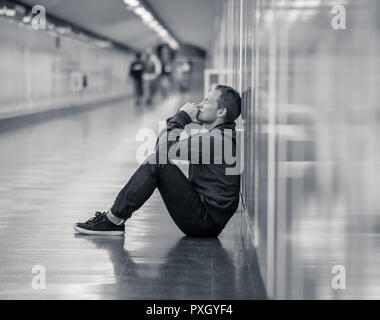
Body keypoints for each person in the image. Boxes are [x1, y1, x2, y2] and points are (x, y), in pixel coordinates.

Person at [74, 85, 241, 238]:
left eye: (206, 101)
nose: (199, 104)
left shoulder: (217, 140)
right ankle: (114, 219)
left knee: (157, 162)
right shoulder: (219, 137)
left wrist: (182, 117)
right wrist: (179, 119)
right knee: (158, 161)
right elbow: (163, 146)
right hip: (206, 218)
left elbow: (162, 151)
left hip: (205, 223)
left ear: (221, 112)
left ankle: (113, 220)